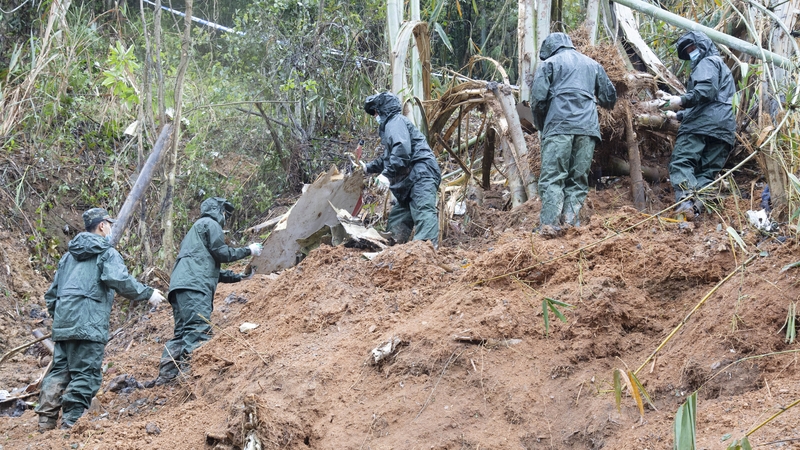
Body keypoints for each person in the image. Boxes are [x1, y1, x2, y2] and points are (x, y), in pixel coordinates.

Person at [36, 208, 165, 431]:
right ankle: (71, 424)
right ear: (102, 226)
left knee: (59, 372)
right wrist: (148, 293)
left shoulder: (67, 257)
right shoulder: (106, 252)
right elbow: (120, 280)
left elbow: (51, 295)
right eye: (109, 224)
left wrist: (61, 319)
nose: (111, 228)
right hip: (89, 325)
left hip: (64, 324)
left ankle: (45, 422)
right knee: (85, 373)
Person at [148, 197, 262, 386]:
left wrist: (238, 277)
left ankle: (166, 378)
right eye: (224, 212)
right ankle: (192, 382)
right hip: (195, 288)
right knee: (197, 330)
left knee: (182, 333)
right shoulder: (211, 224)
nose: (225, 217)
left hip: (179, 288)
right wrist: (248, 250)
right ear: (218, 210)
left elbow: (207, 267)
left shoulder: (195, 231)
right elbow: (222, 253)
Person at [530, 32, 617, 232]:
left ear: (550, 49)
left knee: (553, 177)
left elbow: (537, 101)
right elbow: (609, 98)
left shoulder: (548, 64)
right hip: (587, 129)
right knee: (578, 180)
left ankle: (549, 225)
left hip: (558, 127)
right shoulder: (593, 65)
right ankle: (570, 223)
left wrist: (542, 127)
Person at [659, 30, 735, 214]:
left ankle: (685, 203)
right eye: (687, 51)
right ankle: (697, 210)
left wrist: (680, 100)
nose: (691, 53)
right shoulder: (723, 68)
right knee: (706, 172)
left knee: (681, 163)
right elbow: (714, 103)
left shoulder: (707, 62)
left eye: (692, 48)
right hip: (724, 129)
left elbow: (706, 91)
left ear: (703, 46)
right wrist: (677, 116)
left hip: (700, 127)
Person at [361, 92, 441, 246]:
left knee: (423, 210)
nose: (375, 116)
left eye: (375, 112)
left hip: (421, 174)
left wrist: (387, 175)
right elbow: (388, 158)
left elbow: (402, 151)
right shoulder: (394, 125)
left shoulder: (395, 122)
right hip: (410, 180)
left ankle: (425, 250)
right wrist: (366, 168)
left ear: (383, 110)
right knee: (398, 219)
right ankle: (393, 249)